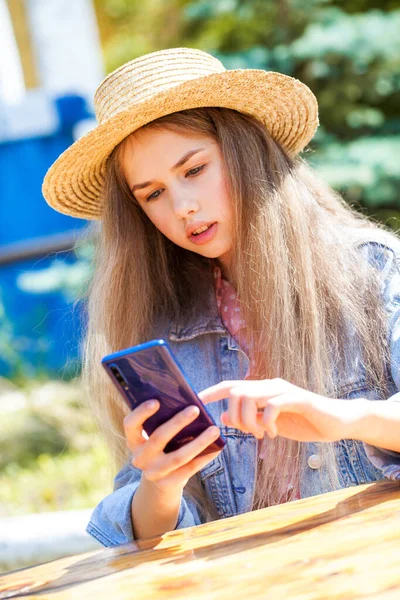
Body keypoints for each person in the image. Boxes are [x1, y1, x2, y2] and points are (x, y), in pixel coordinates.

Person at [42, 48, 400, 547]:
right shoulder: (160, 327)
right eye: (152, 194)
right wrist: (161, 485)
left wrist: (338, 416)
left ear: (243, 151)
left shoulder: (372, 268)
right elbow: (136, 537)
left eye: (193, 170)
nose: (183, 208)